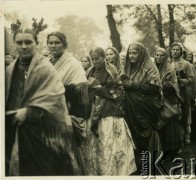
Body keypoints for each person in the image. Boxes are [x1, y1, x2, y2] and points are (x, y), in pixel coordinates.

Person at [5, 28, 80, 176]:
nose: (24, 46)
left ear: (36, 43)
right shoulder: (9, 70)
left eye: (28, 42)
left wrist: (29, 111)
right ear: (14, 44)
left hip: (43, 136)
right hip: (15, 133)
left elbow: (56, 100)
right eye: (19, 42)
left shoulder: (46, 69)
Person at [86, 47, 136, 175]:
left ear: (104, 58)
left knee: (110, 143)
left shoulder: (112, 70)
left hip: (110, 111)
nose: (95, 61)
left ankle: (115, 172)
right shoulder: (89, 71)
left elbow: (119, 92)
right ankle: (99, 171)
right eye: (92, 59)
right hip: (93, 110)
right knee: (97, 144)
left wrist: (99, 89)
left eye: (97, 58)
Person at [47, 31, 89, 174]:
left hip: (67, 117)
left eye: (57, 42)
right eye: (50, 42)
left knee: (67, 159)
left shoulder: (73, 65)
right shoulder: (46, 62)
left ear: (65, 45)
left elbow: (82, 95)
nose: (53, 45)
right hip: (46, 117)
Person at [121, 42, 162, 175]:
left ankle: (149, 167)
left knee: (146, 138)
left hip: (145, 110)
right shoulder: (127, 68)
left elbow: (154, 87)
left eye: (135, 53)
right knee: (134, 138)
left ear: (141, 54)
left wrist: (133, 85)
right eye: (130, 53)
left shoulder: (150, 68)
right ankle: (138, 167)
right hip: (130, 109)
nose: (131, 56)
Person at [154, 48, 183, 154]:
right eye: (157, 55)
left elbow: (173, 85)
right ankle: (163, 147)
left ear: (165, 57)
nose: (159, 57)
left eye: (161, 55)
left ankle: (175, 146)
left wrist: (160, 85)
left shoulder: (169, 69)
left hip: (169, 98)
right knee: (161, 121)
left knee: (171, 120)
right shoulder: (153, 68)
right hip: (157, 98)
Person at [170, 42, 195, 145]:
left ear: (181, 51)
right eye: (173, 49)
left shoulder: (186, 64)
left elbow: (192, 79)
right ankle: (177, 135)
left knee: (185, 111)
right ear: (170, 51)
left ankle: (187, 135)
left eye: (177, 50)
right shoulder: (168, 63)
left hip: (183, 91)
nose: (175, 52)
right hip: (171, 91)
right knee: (174, 112)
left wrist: (182, 81)